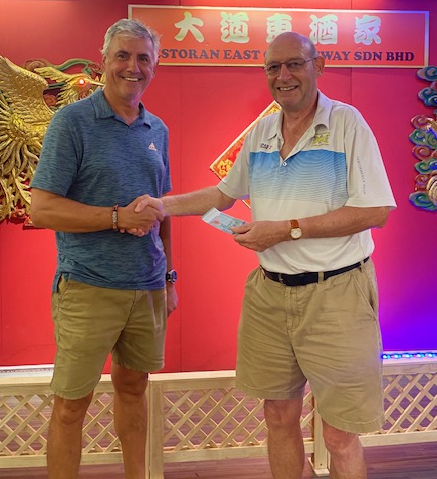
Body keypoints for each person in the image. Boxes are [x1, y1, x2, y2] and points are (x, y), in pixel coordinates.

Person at [134, 31, 396, 479]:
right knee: (277, 415)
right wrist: (163, 205)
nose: (283, 75)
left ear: (318, 66)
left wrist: (286, 230)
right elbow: (223, 194)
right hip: (269, 295)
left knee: (339, 433)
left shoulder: (347, 124)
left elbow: (375, 212)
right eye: (273, 67)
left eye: (294, 64)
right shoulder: (261, 132)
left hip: (337, 294)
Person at [30, 18, 177, 479]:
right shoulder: (72, 122)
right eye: (122, 56)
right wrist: (117, 217)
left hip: (147, 288)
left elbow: (163, 211)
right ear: (104, 60)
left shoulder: (158, 128)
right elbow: (42, 209)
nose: (132, 67)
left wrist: (169, 278)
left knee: (134, 390)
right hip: (87, 287)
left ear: (154, 66)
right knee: (71, 405)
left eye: (143, 58)